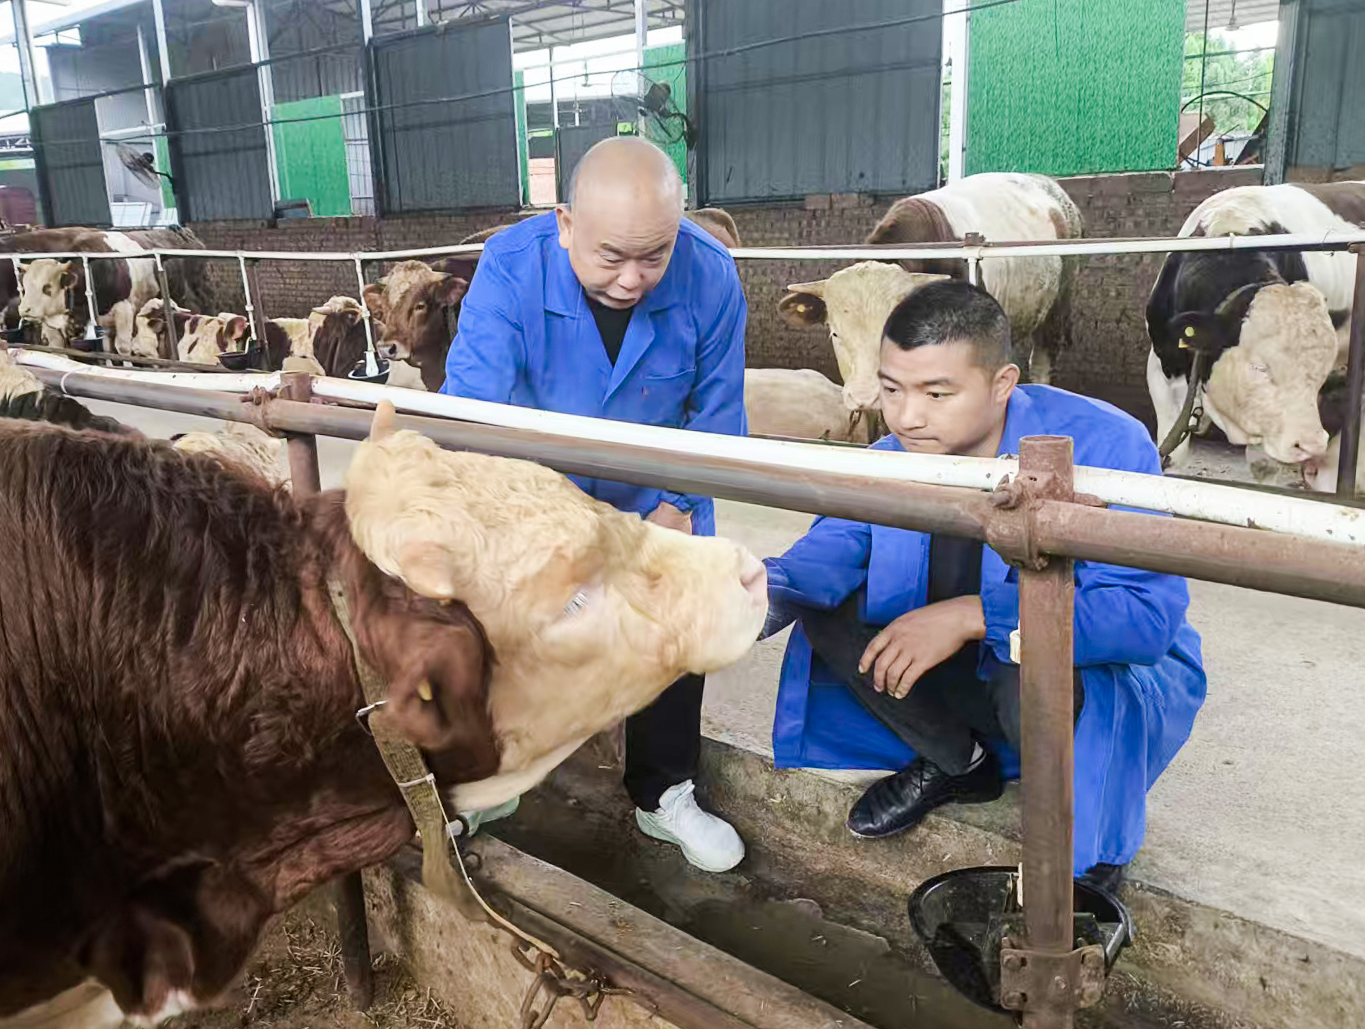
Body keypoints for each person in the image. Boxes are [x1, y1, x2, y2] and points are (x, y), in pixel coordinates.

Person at [761, 281, 1207, 889]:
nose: (906, 415)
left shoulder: (1107, 444)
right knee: (824, 605)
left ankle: (1090, 850)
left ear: (1003, 384)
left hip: (1062, 682)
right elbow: (831, 548)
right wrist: (751, 591)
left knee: (1040, 658)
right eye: (892, 388)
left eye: (936, 393)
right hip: (962, 673)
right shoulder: (896, 452)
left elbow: (1146, 618)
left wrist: (975, 615)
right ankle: (958, 762)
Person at [441, 136, 749, 873]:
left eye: (655, 255)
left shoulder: (710, 276)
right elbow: (470, 416)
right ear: (566, 224)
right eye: (612, 256)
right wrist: (549, 524)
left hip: (659, 495)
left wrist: (675, 510)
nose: (635, 278)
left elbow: (718, 418)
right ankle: (495, 780)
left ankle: (664, 790)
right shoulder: (510, 269)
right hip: (538, 490)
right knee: (504, 622)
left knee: (677, 611)